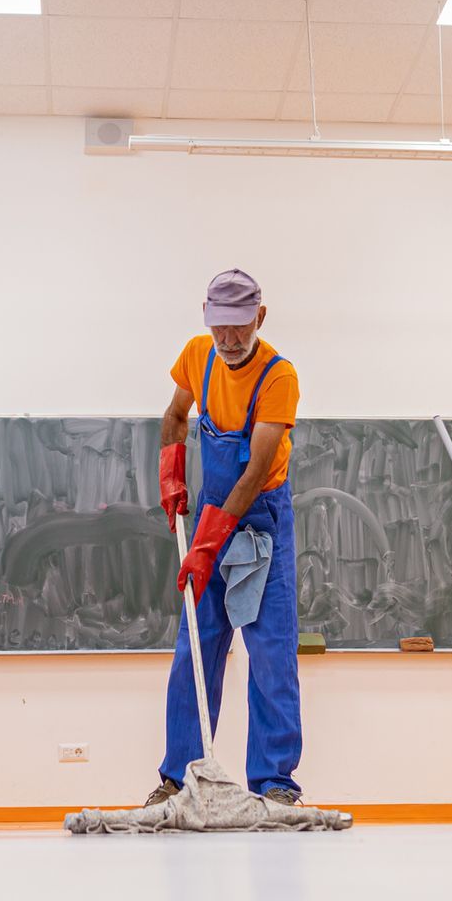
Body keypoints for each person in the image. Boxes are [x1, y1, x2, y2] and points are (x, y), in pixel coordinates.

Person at [148, 268, 304, 806]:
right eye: (220, 328)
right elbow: (174, 415)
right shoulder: (198, 355)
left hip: (260, 523)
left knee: (271, 655)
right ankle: (177, 781)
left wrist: (209, 544)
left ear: (259, 317)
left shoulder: (279, 376)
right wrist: (172, 476)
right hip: (214, 515)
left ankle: (276, 786)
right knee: (196, 646)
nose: (230, 341)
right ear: (207, 320)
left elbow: (257, 467)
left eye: (240, 328)